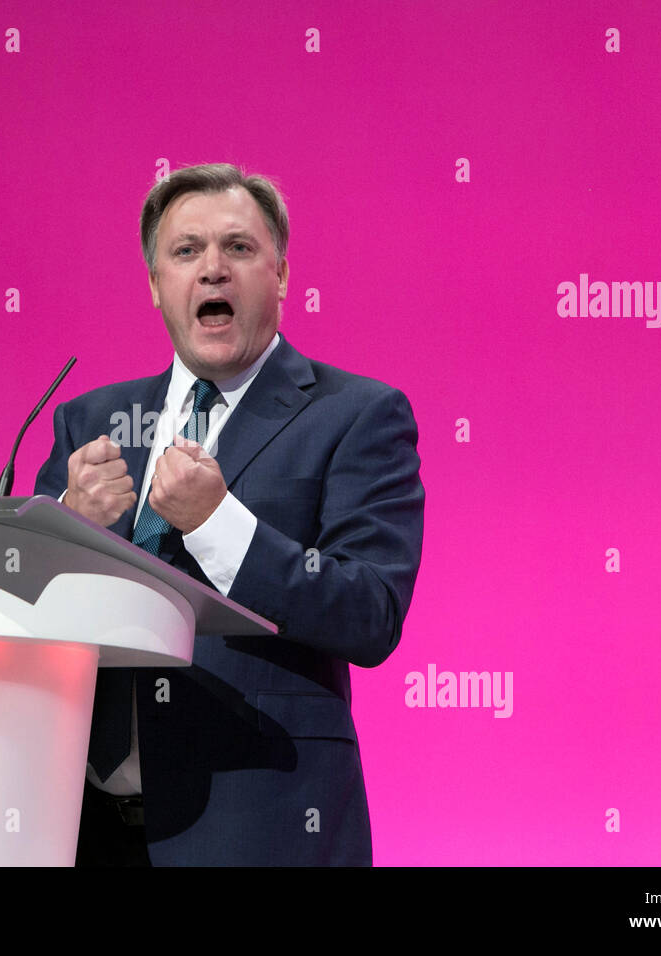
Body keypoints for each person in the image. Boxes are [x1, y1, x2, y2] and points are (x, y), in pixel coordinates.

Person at [33, 162, 424, 866]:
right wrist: (65, 523)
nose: (213, 269)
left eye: (239, 248)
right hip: (77, 831)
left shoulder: (356, 415)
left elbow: (371, 614)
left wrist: (218, 525)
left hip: (260, 828)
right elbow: (22, 616)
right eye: (186, 252)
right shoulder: (88, 421)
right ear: (155, 286)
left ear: (280, 275)